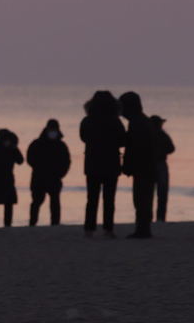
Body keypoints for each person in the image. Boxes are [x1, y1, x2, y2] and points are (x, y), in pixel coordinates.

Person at [80, 90, 125, 238]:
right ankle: (108, 229)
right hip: (111, 162)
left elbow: (83, 138)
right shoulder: (115, 121)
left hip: (92, 162)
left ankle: (89, 229)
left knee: (92, 198)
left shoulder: (87, 120)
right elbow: (122, 141)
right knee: (109, 198)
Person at [119, 92, 157, 239]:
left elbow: (136, 147)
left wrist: (129, 165)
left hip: (143, 167)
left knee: (141, 199)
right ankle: (143, 228)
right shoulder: (141, 120)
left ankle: (143, 230)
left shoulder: (137, 122)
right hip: (146, 166)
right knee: (143, 198)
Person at [26, 120, 71, 226]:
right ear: (47, 129)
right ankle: (32, 223)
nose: (53, 132)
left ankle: (55, 223)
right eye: (51, 129)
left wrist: (60, 174)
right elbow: (30, 158)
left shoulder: (61, 145)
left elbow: (66, 161)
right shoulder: (37, 143)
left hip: (54, 178)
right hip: (39, 178)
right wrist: (39, 168)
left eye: (55, 129)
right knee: (37, 201)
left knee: (55, 202)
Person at [149, 115, 175, 223]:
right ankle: (160, 218)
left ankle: (147, 217)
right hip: (160, 164)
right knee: (162, 193)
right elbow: (171, 148)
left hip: (149, 164)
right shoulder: (162, 134)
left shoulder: (147, 135)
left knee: (148, 193)